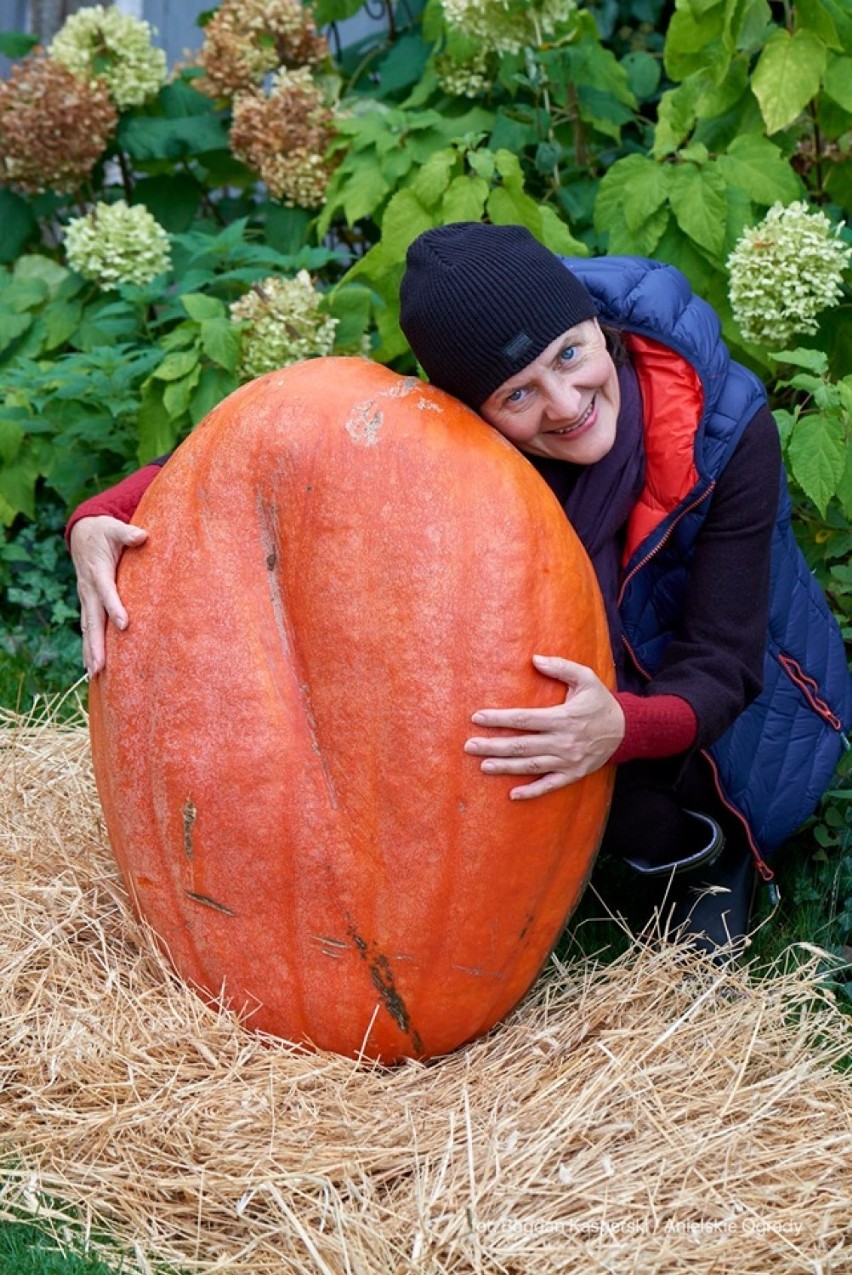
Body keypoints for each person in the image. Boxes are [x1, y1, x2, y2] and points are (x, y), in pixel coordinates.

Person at [67, 223, 852, 957]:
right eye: (518, 394)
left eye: (572, 355)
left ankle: (695, 851)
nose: (568, 403)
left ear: (591, 324)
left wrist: (618, 728)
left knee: (670, 794)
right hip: (566, 690)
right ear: (471, 408)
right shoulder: (449, 434)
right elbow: (270, 454)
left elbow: (723, 664)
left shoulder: (725, 425)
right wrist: (97, 519)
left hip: (735, 715)